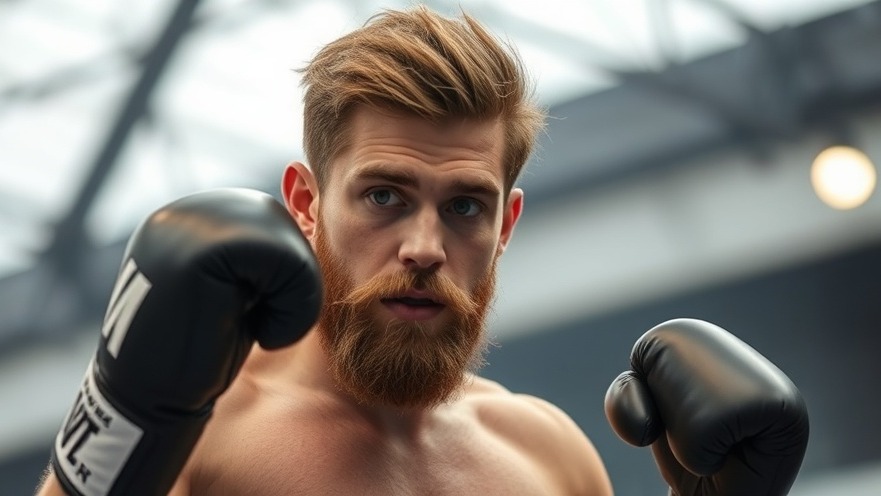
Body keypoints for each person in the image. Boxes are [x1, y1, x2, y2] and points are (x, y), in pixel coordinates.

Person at [36, 6, 808, 496]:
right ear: (305, 204)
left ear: (504, 225)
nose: (423, 248)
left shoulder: (546, 457)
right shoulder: (202, 437)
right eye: (383, 196)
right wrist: (118, 426)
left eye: (464, 206)